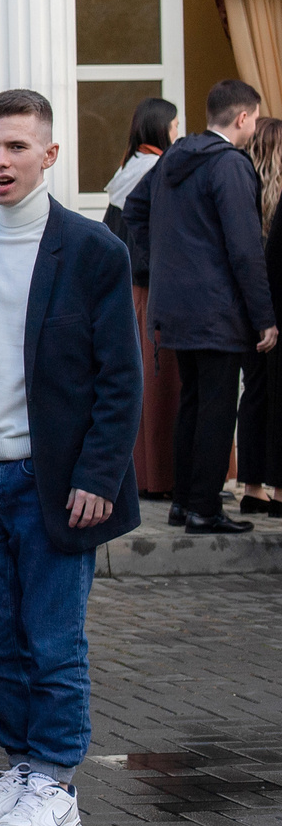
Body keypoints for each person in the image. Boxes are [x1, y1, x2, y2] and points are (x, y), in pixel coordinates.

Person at [0, 90, 145, 826]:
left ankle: (57, 783)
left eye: (17, 148)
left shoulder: (95, 250)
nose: (1, 161)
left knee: (53, 639)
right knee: (2, 638)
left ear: (50, 155)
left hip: (59, 483)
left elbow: (120, 379)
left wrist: (98, 474)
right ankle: (22, 766)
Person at [122, 76, 277, 534]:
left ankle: (184, 503)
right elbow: (245, 248)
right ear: (244, 118)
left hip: (175, 306)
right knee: (215, 406)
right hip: (217, 309)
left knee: (192, 402)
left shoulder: (174, 159)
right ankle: (204, 508)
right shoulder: (230, 164)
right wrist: (265, 318)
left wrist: (168, 261)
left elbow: (134, 209)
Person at [103, 96, 179, 500]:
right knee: (160, 384)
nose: (179, 133)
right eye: (175, 125)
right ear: (161, 129)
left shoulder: (127, 169)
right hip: (150, 290)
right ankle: (162, 477)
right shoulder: (155, 169)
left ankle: (147, 475)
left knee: (142, 383)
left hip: (132, 290)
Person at [235, 118, 282, 515]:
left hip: (245, 303)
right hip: (271, 304)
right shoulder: (274, 191)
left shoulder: (241, 181)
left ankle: (251, 485)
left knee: (254, 392)